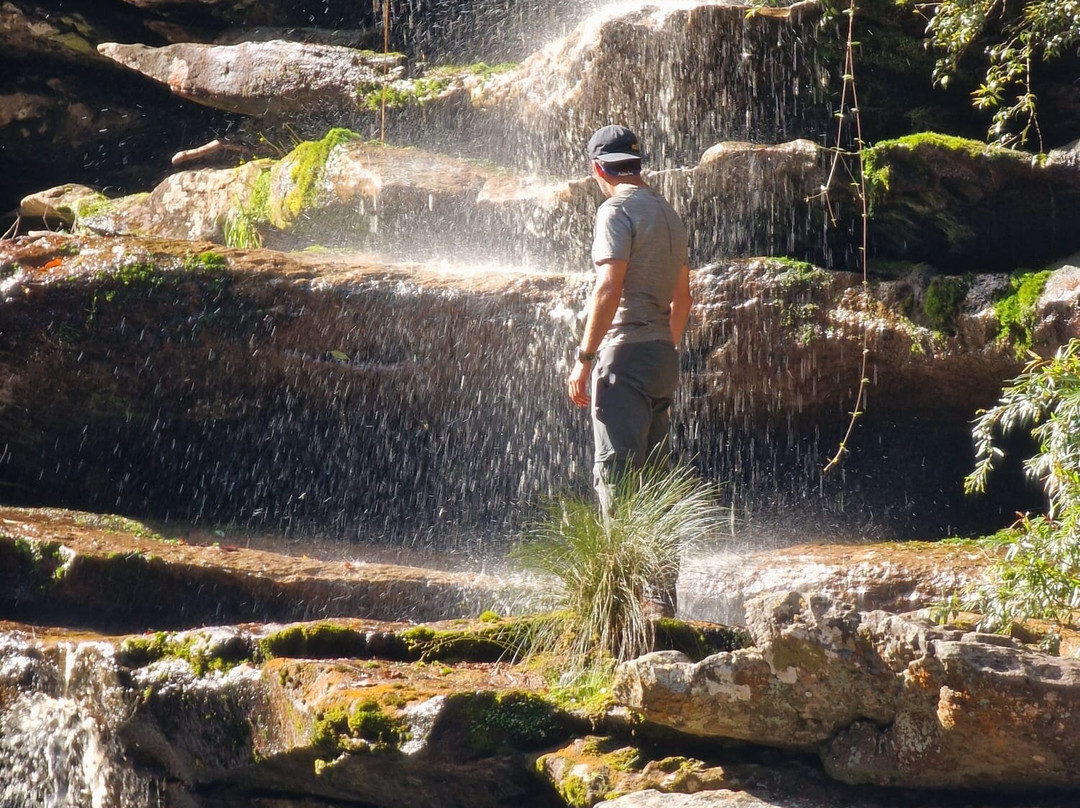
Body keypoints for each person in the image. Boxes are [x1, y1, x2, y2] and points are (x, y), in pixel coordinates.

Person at [567, 124, 692, 617]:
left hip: (623, 354)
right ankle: (661, 602)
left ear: (600, 169)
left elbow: (608, 287)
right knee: (656, 480)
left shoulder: (614, 210)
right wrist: (665, 347)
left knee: (616, 476)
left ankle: (618, 609)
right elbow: (683, 299)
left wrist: (584, 357)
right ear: (637, 166)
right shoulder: (671, 215)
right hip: (663, 356)